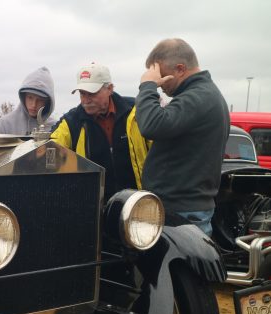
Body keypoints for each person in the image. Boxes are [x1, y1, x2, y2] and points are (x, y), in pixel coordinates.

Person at [135, 38, 230, 235]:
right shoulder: (205, 96)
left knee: (177, 266)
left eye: (162, 76)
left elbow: (151, 125)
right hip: (187, 208)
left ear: (180, 69)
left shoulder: (198, 97)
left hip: (182, 212)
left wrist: (147, 86)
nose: (160, 85)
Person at [50, 63, 150, 201]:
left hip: (140, 205)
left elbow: (162, 152)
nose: (85, 100)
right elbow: (50, 151)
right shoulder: (71, 122)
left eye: (92, 93)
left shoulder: (137, 112)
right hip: (92, 208)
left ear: (110, 89)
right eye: (82, 93)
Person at [0, 66, 57, 135]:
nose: (34, 105)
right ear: (23, 96)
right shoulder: (5, 124)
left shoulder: (54, 127)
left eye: (40, 100)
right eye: (30, 97)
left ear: (48, 102)